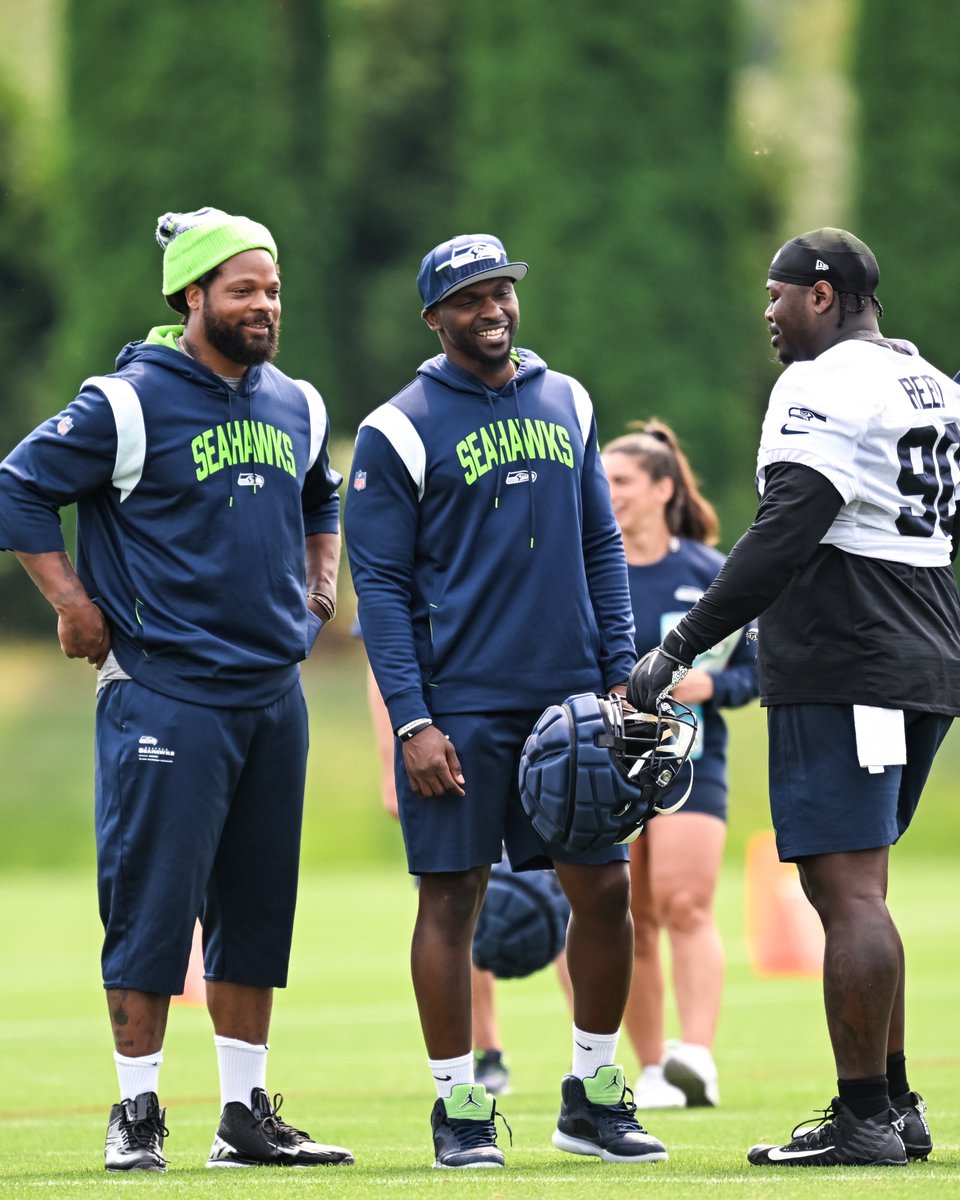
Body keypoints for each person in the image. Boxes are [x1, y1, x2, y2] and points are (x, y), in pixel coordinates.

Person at [0, 207, 354, 1173]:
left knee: (255, 909)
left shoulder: (298, 403)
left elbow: (323, 493)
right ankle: (138, 1111)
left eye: (273, 288)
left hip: (271, 695)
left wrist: (322, 582)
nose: (264, 304)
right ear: (191, 295)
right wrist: (70, 602)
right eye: (243, 288)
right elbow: (17, 487)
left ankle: (244, 1116)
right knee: (152, 904)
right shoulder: (127, 401)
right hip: (165, 691)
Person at [628, 227, 960, 1168]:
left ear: (823, 295)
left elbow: (784, 531)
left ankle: (863, 1119)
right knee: (866, 890)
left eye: (777, 297)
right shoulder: (934, 383)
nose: (768, 317)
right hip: (925, 647)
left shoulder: (820, 384)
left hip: (848, 656)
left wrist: (680, 644)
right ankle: (893, 1105)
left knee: (844, 892)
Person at [345, 233, 663, 1169]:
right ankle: (459, 1105)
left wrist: (621, 675)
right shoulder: (396, 427)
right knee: (451, 900)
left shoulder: (568, 399)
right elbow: (384, 592)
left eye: (502, 292)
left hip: (569, 700)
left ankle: (594, 1094)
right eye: (470, 299)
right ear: (434, 318)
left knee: (604, 892)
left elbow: (601, 545)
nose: (493, 310)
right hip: (460, 707)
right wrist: (411, 720)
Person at [601, 421, 758, 1109]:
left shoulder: (709, 572)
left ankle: (698, 1056)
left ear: (662, 489)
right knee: (627, 913)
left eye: (622, 483)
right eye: (600, 483)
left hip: (692, 759)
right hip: (609, 762)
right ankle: (657, 1068)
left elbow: (756, 673)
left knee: (686, 901)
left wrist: (710, 687)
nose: (608, 496)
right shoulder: (592, 566)